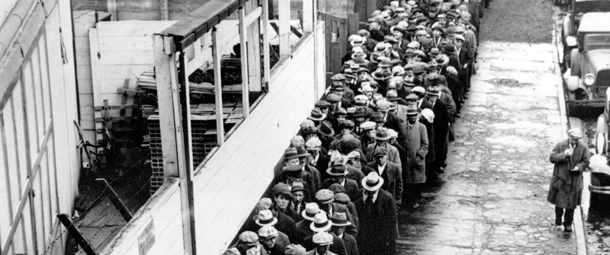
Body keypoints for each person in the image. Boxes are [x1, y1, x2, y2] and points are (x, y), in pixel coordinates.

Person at [547, 128, 590, 232]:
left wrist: (578, 167)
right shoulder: (560, 145)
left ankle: (568, 224)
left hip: (574, 181)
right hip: (561, 179)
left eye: (577, 139)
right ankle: (558, 220)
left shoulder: (583, 148)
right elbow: (552, 158)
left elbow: (586, 162)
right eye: (573, 139)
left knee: (571, 206)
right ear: (569, 137)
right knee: (559, 204)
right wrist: (564, 154)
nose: (575, 141)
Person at [355, 172, 398, 255]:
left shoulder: (387, 197)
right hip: (364, 235)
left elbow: (392, 219)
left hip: (381, 236)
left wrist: (387, 236)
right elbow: (356, 211)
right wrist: (363, 201)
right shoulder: (360, 194)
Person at [401, 106, 428, 208]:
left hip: (417, 160)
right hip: (406, 159)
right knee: (407, 181)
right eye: (411, 116)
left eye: (415, 116)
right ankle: (408, 200)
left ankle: (417, 200)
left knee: (417, 182)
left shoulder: (422, 127)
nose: (413, 118)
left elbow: (425, 144)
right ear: (408, 116)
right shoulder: (402, 126)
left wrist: (419, 155)